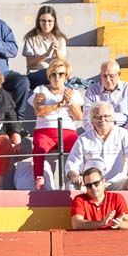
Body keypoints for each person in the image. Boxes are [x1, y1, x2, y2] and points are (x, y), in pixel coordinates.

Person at [82, 60, 128, 184]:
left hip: (124, 128)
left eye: (111, 76)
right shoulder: (92, 90)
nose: (107, 79)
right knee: (82, 140)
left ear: (119, 74)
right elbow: (86, 120)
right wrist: (99, 130)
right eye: (104, 76)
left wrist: (121, 131)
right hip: (99, 128)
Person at [28, 58, 83, 190]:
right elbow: (40, 111)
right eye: (53, 74)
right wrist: (60, 104)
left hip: (67, 131)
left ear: (66, 76)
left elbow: (79, 116)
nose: (57, 77)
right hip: (44, 130)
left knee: (78, 147)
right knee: (40, 147)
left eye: (61, 74)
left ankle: (75, 179)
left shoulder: (73, 93)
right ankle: (39, 180)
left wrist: (69, 103)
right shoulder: (41, 90)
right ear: (49, 76)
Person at [64, 102, 128, 191]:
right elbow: (72, 164)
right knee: (72, 187)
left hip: (117, 183)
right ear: (91, 120)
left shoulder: (122, 133)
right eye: (98, 117)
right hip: (91, 184)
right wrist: (75, 176)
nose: (102, 119)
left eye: (106, 116)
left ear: (112, 118)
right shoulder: (83, 138)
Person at [22, 5, 67, 92]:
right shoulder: (31, 38)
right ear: (38, 21)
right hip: (36, 74)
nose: (46, 24)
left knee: (58, 74)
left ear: (54, 22)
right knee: (48, 73)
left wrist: (57, 51)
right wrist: (46, 54)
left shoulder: (60, 39)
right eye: (43, 21)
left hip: (55, 75)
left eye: (50, 21)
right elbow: (30, 64)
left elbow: (63, 63)